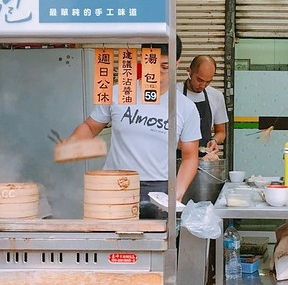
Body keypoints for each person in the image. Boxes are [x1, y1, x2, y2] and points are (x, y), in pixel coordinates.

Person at [66, 36, 201, 218]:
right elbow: (90, 127)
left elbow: (190, 157)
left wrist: (177, 192)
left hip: (158, 189)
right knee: (114, 243)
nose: (157, 73)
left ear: (176, 64)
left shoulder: (185, 107)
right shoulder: (117, 93)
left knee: (153, 243)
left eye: (165, 67)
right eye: (151, 64)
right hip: (115, 184)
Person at [181, 55, 228, 158]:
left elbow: (221, 132)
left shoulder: (216, 96)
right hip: (177, 158)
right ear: (189, 71)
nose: (202, 85)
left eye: (208, 82)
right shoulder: (174, 93)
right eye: (199, 80)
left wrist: (214, 140)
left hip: (204, 159)